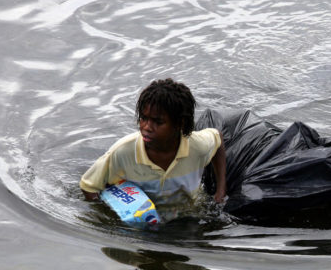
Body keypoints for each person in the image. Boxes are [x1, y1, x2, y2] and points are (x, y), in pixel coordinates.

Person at [80, 79, 226, 222]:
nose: (147, 127)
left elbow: (218, 139)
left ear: (179, 123)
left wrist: (220, 191)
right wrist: (109, 215)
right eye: (143, 118)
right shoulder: (123, 152)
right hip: (145, 221)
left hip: (187, 215)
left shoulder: (197, 146)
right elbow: (88, 185)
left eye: (158, 122)